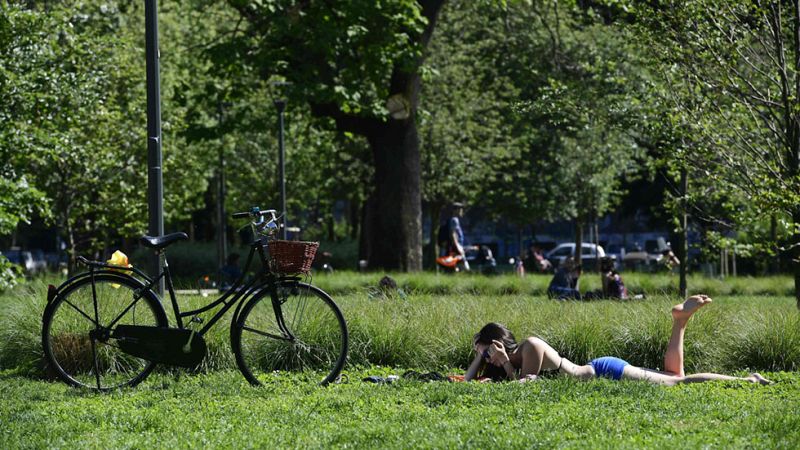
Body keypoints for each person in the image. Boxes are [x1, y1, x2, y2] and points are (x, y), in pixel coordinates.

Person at [464, 295, 771, 386]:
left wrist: (505, 364)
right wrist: (481, 358)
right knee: (674, 374)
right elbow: (468, 381)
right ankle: (680, 322)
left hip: (605, 371)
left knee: (678, 382)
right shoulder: (503, 362)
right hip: (601, 369)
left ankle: (748, 380)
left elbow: (525, 386)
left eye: (486, 352)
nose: (485, 359)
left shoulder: (530, 346)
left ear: (499, 343)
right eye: (481, 355)